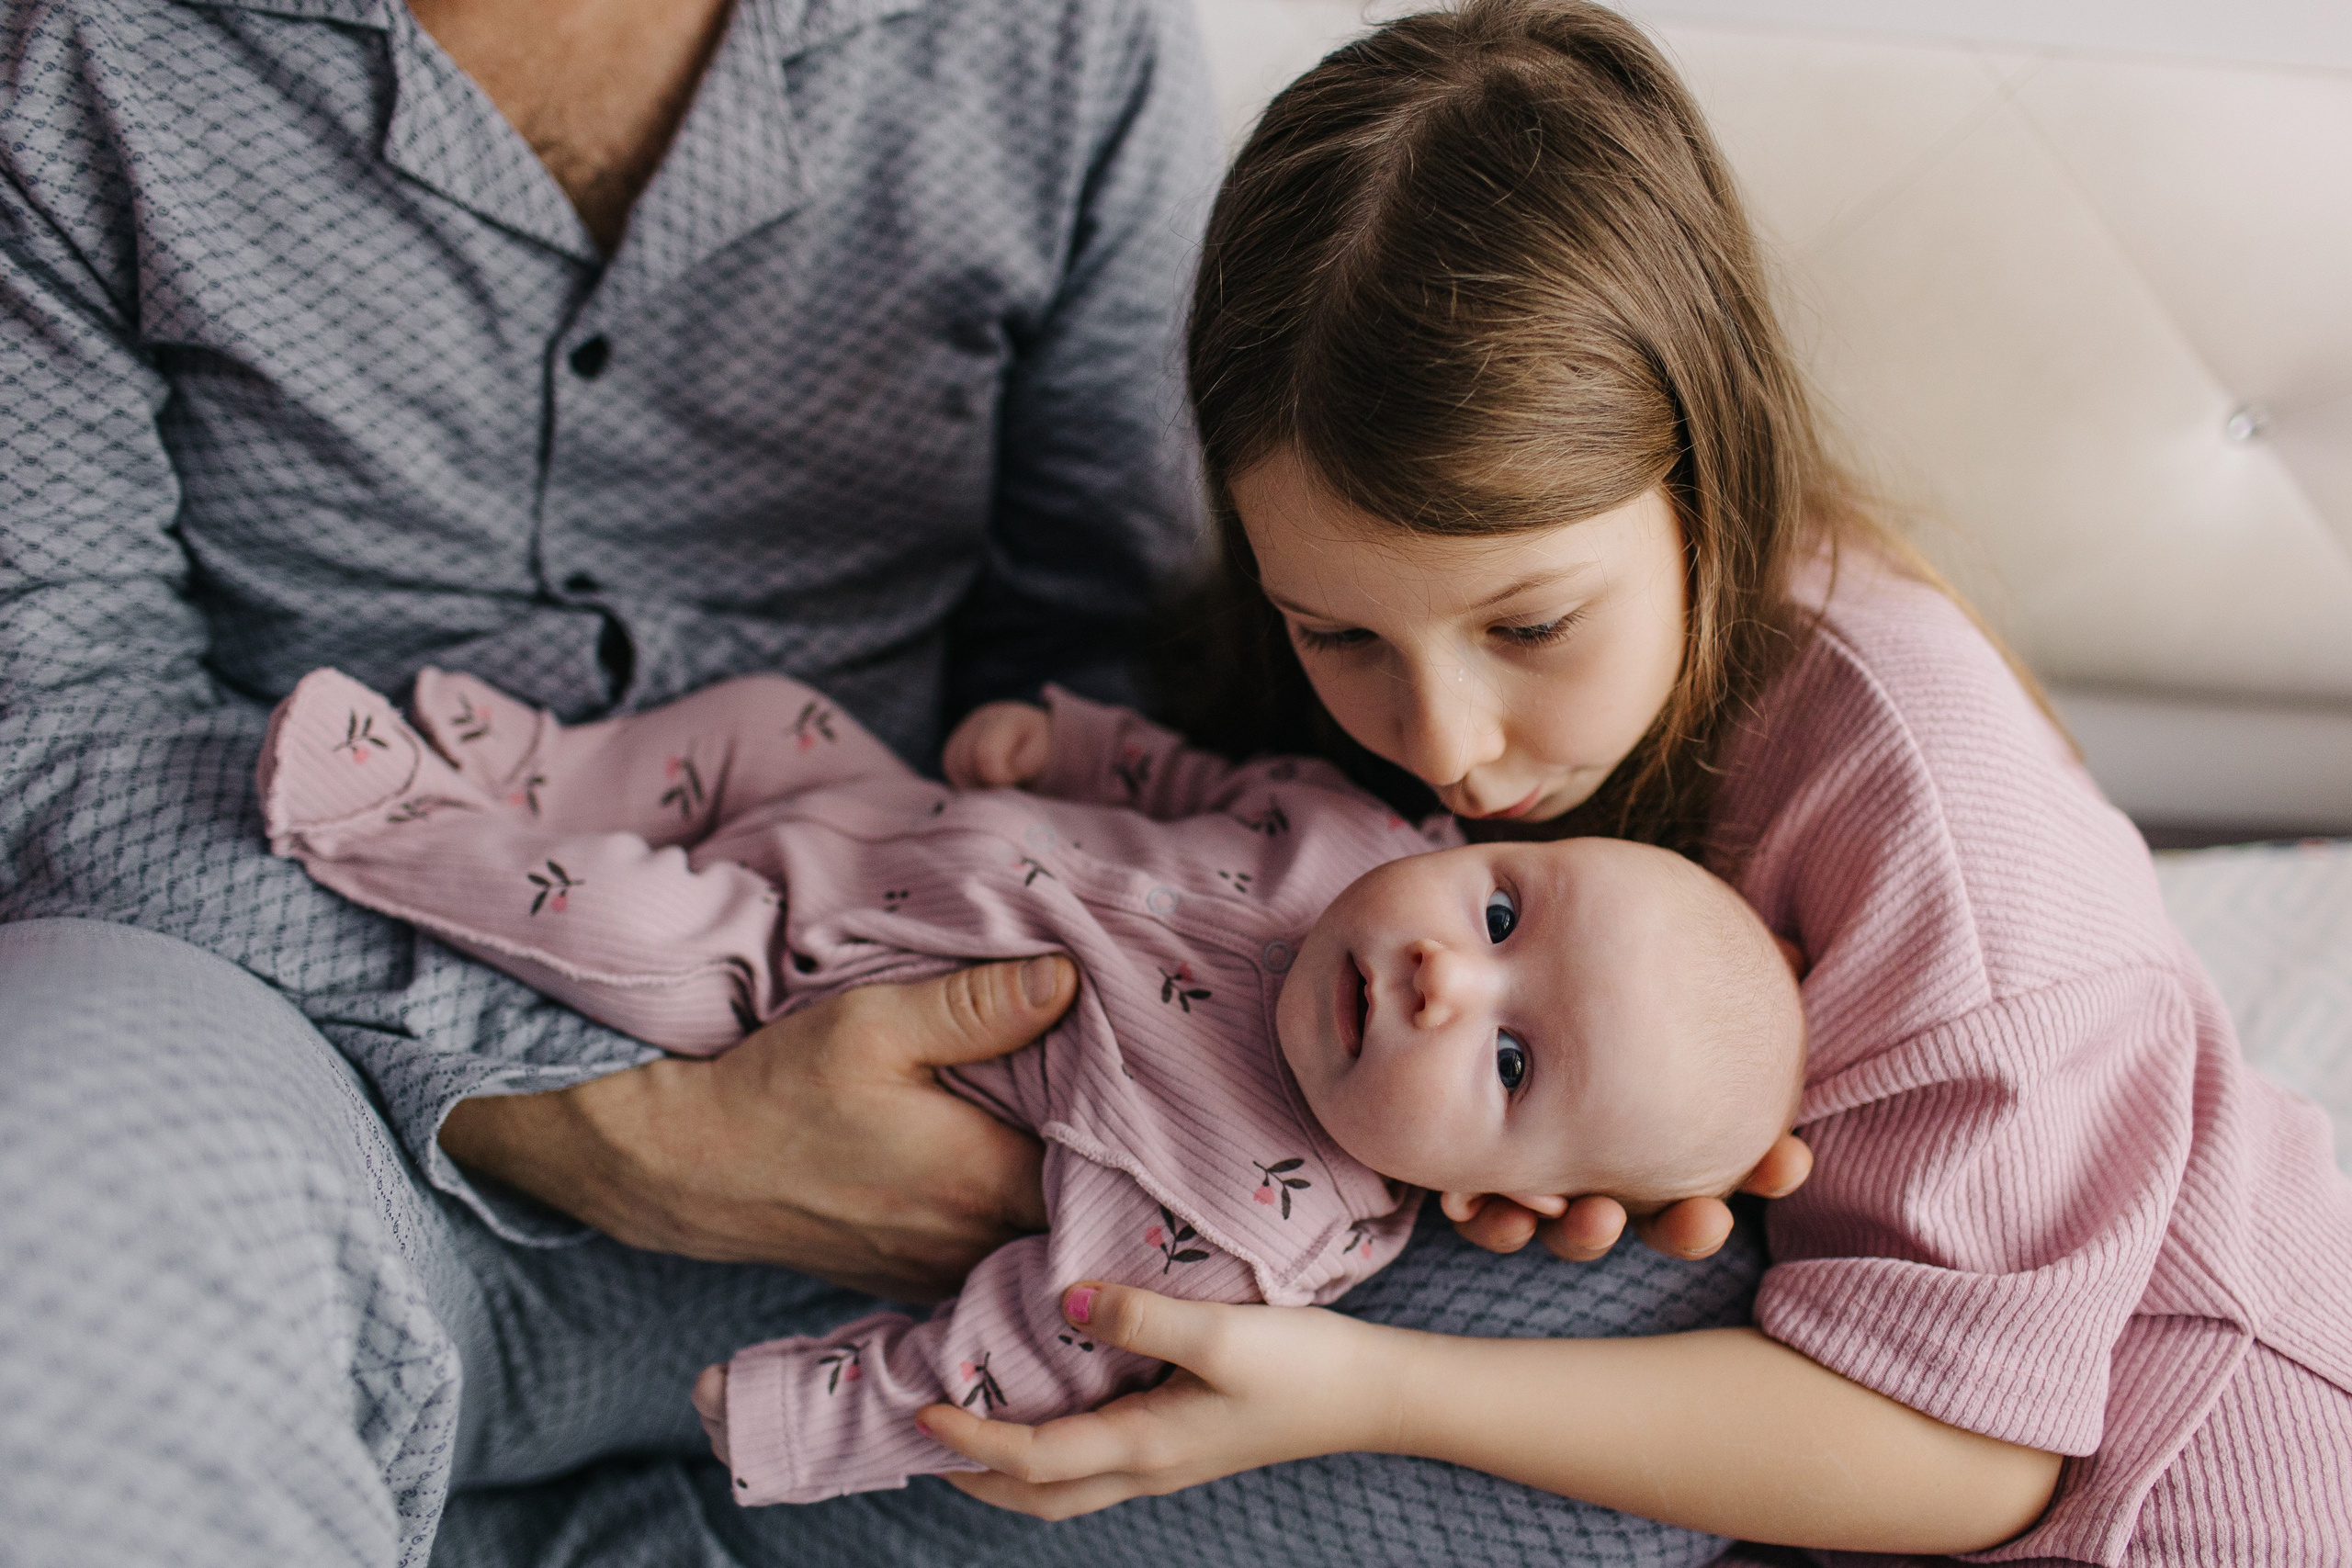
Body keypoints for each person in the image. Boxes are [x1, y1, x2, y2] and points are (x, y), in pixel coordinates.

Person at [0, 2, 1796, 1564]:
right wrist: (609, 1120)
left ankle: (549, 1504)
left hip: (947, 1167)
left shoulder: (1046, 35)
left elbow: (1093, 637)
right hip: (321, 1057)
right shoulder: (78, 58)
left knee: (1663, 1323)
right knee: (48, 1146)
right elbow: (56, 730)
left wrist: (1469, 1094)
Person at [910, 3, 2352, 1562]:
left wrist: (1366, 1389)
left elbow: (1973, 1456)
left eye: (1528, 625)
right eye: (1336, 632)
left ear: (1701, 480)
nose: (1449, 744)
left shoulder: (1934, 825)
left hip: (2192, 1488)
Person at [254, 664, 1805, 1504]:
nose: (1443, 976)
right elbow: (1196, 785)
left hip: (780, 970)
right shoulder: (1377, 847)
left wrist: (821, 1419)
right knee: (759, 718)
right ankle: (531, 760)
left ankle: (385, 822)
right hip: (876, 806)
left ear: (1495, 1196)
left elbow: (1023, 1352)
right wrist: (1069, 737)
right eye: (1505, 916)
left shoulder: (1253, 1223)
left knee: (619, 922)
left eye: (1510, 1057)